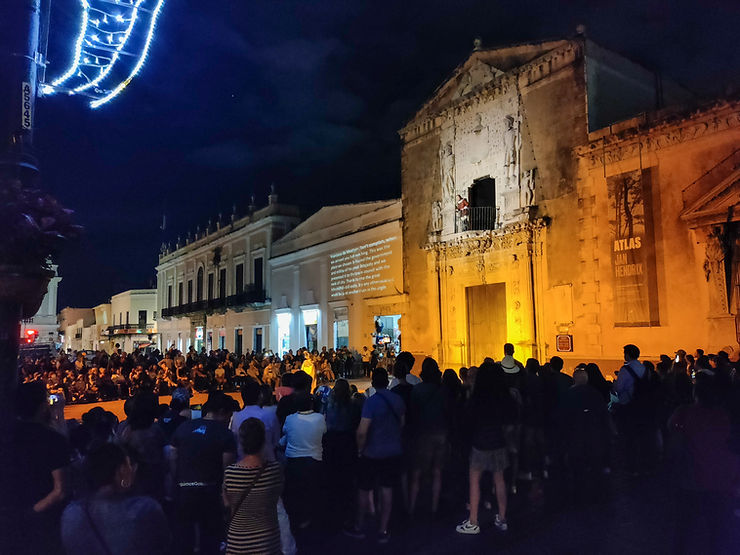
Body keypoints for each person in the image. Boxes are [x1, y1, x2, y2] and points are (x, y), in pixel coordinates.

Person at [61, 443, 170, 555]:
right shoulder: (146, 509)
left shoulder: (71, 513)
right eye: (131, 465)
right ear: (122, 470)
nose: (133, 471)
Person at [170, 392, 238, 555]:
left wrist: (177, 481)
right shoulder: (225, 434)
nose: (229, 420)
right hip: (209, 493)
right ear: (222, 411)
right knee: (210, 540)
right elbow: (227, 469)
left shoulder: (184, 427)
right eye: (229, 415)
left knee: (185, 538)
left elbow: (173, 457)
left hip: (184, 490)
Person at [7, 381, 70, 555]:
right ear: (43, 407)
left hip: (11, 515)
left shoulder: (7, 436)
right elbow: (60, 490)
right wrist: (30, 514)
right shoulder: (52, 440)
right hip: (45, 520)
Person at [345, 368, 405, 544]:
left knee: (364, 489)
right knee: (387, 489)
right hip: (393, 450)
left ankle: (360, 525)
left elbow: (362, 431)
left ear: (372, 382)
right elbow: (402, 424)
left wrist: (360, 449)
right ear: (387, 381)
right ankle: (383, 529)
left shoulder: (371, 403)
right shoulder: (397, 400)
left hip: (372, 452)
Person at [456, 362, 514, 535]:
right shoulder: (504, 397)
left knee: (474, 480)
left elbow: (467, 421)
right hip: (499, 442)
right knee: (500, 480)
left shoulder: (477, 398)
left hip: (480, 443)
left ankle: (473, 520)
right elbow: (511, 421)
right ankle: (502, 518)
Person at [224, 418, 283, 555]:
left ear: (241, 441)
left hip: (238, 540)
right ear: (263, 441)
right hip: (267, 539)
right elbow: (276, 496)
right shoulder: (276, 470)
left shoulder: (231, 472)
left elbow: (227, 503)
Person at [280, 392, 327, 529]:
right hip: (314, 460)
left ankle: (297, 518)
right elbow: (324, 432)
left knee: (296, 492)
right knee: (311, 492)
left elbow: (286, 434)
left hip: (294, 461)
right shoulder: (319, 418)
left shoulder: (290, 419)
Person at [408, 357, 447, 514]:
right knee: (437, 471)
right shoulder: (443, 390)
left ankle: (411, 507)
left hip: (423, 433)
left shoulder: (417, 390)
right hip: (441, 433)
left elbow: (412, 413)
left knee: (417, 472)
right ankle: (434, 507)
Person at [611, 344, 649, 475]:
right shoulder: (644, 368)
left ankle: (630, 466)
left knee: (628, 438)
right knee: (640, 436)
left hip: (627, 406)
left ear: (627, 354)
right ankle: (643, 463)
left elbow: (619, 388)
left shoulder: (625, 369)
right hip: (642, 406)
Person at [231, 380, 280, 462]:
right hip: (267, 462)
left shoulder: (236, 416)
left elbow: (234, 439)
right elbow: (276, 441)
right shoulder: (270, 415)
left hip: (242, 462)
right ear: (260, 396)